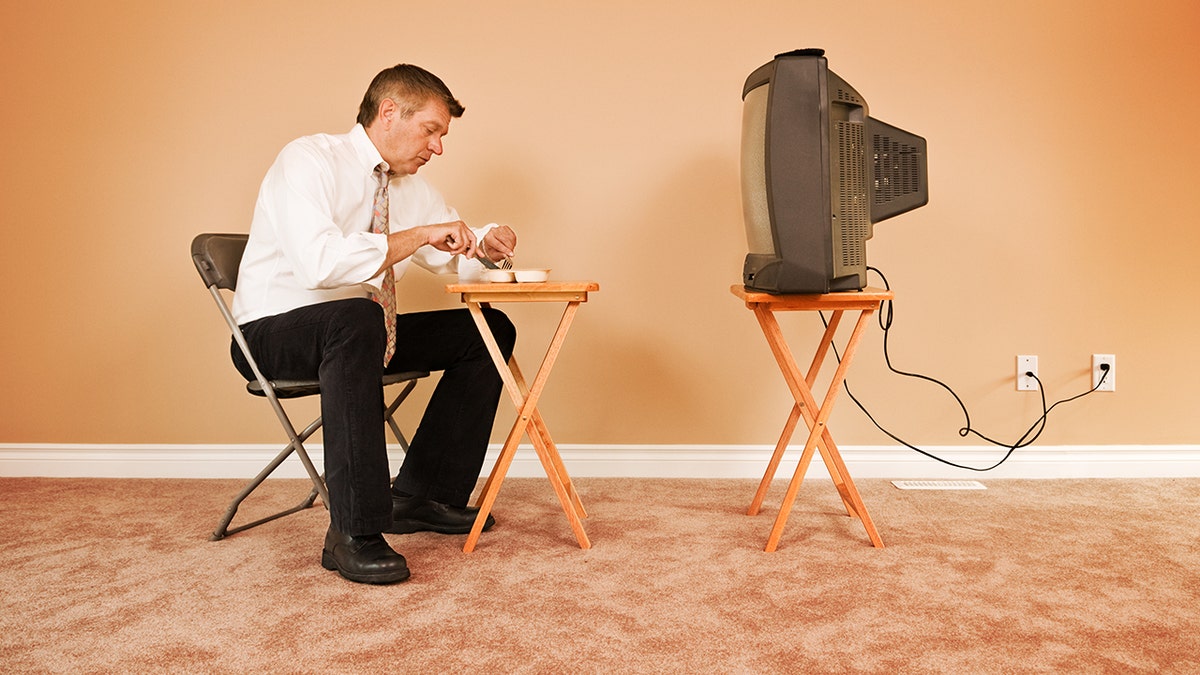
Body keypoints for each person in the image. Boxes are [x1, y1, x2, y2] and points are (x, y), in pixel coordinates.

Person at [230, 64, 517, 584]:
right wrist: (423, 234)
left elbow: (453, 254)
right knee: (355, 317)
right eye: (431, 130)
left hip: (360, 336)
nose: (438, 147)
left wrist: (486, 246)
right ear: (389, 113)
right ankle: (353, 532)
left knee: (488, 331)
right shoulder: (309, 159)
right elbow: (319, 265)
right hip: (273, 332)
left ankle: (422, 495)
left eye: (442, 136)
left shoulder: (411, 188)